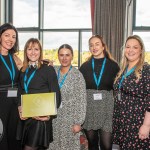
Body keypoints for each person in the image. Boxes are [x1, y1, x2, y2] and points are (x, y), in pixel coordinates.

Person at [17, 38, 61, 150]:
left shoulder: (48, 69)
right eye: (30, 49)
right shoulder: (23, 70)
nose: (33, 52)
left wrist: (49, 115)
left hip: (41, 118)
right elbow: (20, 91)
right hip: (26, 116)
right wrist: (20, 108)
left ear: (40, 51)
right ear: (25, 51)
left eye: (36, 49)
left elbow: (56, 94)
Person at [79, 35, 120, 150]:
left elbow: (119, 88)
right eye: (91, 45)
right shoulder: (84, 67)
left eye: (97, 44)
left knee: (106, 145)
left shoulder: (113, 66)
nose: (94, 47)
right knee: (92, 145)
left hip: (107, 108)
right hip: (89, 108)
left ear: (103, 47)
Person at [113, 35, 150, 149]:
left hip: (137, 121)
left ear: (141, 50)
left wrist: (146, 125)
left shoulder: (146, 70)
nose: (130, 50)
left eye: (135, 47)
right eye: (128, 47)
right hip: (123, 121)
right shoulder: (123, 69)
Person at [49, 44, 87, 150]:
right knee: (53, 146)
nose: (64, 58)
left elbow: (82, 100)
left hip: (70, 119)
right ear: (58, 56)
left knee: (68, 146)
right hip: (54, 118)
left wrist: (78, 122)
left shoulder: (77, 75)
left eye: (67, 55)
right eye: (61, 55)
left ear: (72, 56)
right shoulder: (53, 71)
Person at [0, 23, 22, 150]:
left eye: (13, 37)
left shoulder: (14, 57)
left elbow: (26, 72)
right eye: (7, 35)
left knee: (14, 138)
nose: (10, 39)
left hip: (14, 104)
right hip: (1, 104)